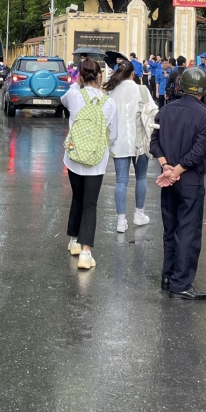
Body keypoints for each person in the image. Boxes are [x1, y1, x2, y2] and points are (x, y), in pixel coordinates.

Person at [150, 65, 206, 298]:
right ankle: (181, 283)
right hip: (189, 179)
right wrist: (176, 171)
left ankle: (168, 275)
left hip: (169, 178)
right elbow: (198, 153)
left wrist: (166, 167)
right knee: (188, 231)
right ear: (203, 89)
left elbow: (154, 142)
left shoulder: (165, 110)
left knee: (170, 227)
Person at [62, 57, 118, 270]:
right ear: (100, 77)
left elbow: (63, 100)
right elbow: (114, 136)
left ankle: (74, 241)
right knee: (90, 204)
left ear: (81, 77)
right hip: (96, 161)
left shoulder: (75, 95)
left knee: (77, 197)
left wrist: (78, 81)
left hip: (74, 158)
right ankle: (86, 253)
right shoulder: (110, 103)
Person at [106, 60, 156, 233]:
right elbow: (154, 112)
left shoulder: (111, 92)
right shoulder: (141, 90)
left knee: (121, 181)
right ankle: (139, 214)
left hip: (118, 142)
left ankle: (121, 220)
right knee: (141, 178)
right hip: (140, 141)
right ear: (133, 74)